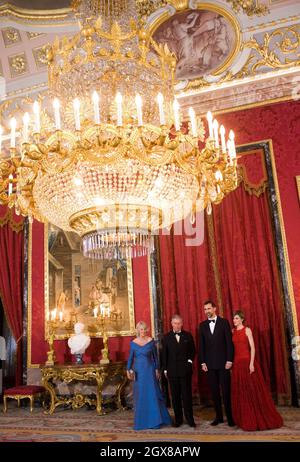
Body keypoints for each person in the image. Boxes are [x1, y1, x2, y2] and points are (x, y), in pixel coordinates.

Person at [231, 310, 283, 431]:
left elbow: (253, 348)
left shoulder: (247, 330)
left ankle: (256, 417)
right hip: (237, 363)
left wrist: (251, 364)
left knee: (252, 391)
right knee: (241, 391)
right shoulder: (233, 331)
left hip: (247, 362)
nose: (234, 320)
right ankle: (244, 418)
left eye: (237, 318)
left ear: (242, 319)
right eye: (234, 319)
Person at [127, 321, 171, 431]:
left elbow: (155, 358)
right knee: (141, 395)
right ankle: (143, 421)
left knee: (152, 394)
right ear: (138, 330)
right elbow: (131, 358)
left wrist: (157, 369)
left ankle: (155, 421)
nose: (143, 331)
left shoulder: (151, 342)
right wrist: (128, 370)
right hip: (139, 372)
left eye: (144, 329)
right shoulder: (133, 343)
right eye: (141, 329)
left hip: (149, 371)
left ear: (147, 329)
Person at [199, 300, 234, 426]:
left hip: (224, 363)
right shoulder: (202, 325)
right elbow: (201, 346)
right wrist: (202, 362)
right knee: (214, 392)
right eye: (205, 309)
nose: (207, 311)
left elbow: (229, 343)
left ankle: (230, 418)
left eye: (209, 308)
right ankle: (219, 417)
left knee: (226, 392)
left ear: (214, 309)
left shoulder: (224, 322)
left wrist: (230, 360)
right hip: (209, 365)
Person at [162, 314, 196, 428]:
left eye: (179, 323)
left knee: (186, 396)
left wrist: (190, 362)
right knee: (175, 397)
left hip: (185, 371)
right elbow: (164, 355)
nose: (177, 325)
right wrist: (165, 369)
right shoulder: (166, 337)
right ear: (172, 324)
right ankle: (178, 420)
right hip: (172, 371)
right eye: (175, 323)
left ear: (182, 324)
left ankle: (190, 419)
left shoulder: (188, 335)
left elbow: (193, 351)